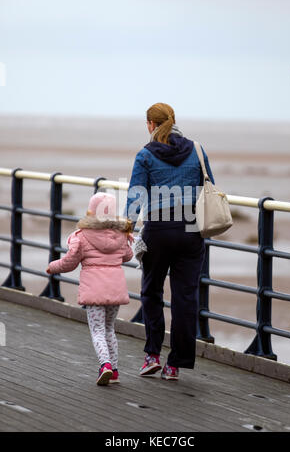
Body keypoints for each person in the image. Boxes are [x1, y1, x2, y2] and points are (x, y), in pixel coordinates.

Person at [124, 102, 215, 381]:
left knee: (151, 292)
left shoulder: (146, 154)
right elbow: (208, 185)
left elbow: (136, 195)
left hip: (158, 231)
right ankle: (175, 365)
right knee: (185, 298)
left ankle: (152, 355)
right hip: (191, 230)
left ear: (151, 125)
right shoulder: (197, 150)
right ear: (174, 121)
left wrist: (127, 224)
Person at [46, 192, 134, 386]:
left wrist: (53, 267)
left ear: (91, 212)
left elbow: (70, 262)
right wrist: (126, 238)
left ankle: (105, 365)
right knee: (110, 328)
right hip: (114, 289)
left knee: (97, 330)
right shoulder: (121, 235)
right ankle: (116, 371)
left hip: (94, 291)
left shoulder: (82, 236)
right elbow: (127, 256)